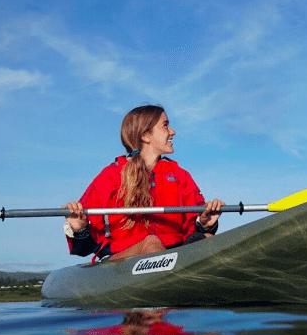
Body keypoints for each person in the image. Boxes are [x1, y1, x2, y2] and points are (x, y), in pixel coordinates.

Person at [62, 105, 224, 262]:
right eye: (165, 126)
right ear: (146, 135)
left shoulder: (179, 175)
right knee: (152, 243)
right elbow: (83, 248)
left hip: (175, 255)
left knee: (208, 239)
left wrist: (204, 224)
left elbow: (193, 232)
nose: (172, 131)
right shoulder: (110, 176)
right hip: (122, 260)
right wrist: (79, 229)